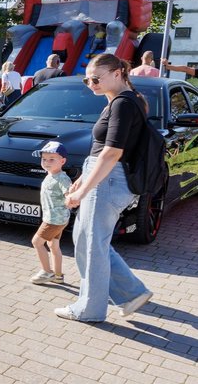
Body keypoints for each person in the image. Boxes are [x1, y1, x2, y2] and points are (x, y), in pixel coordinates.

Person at [59, 54, 153, 322]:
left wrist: (82, 191)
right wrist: (82, 177)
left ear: (118, 73)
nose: (91, 83)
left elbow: (112, 152)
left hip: (108, 180)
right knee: (87, 240)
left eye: (96, 78)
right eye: (87, 79)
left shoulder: (123, 104)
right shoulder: (119, 101)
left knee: (92, 245)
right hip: (103, 176)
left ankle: (90, 309)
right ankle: (132, 293)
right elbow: (100, 150)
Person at [29, 141, 72, 284]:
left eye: (51, 159)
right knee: (53, 245)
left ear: (63, 161)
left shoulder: (62, 178)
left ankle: (47, 272)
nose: (47, 162)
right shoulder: (51, 175)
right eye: (44, 159)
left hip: (54, 220)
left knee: (36, 242)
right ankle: (58, 275)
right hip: (55, 218)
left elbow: (69, 194)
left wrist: (69, 200)